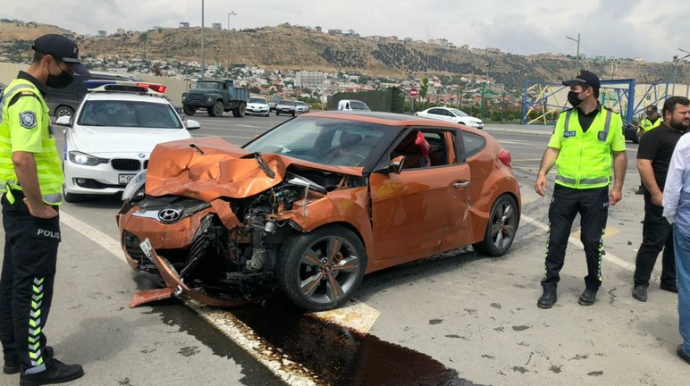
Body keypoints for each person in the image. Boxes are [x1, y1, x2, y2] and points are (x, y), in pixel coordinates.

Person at [0, 34, 88, 385]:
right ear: (47, 61)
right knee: (34, 286)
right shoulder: (27, 98)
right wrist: (37, 205)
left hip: (14, 204)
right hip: (29, 208)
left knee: (13, 282)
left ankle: (13, 353)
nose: (70, 74)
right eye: (67, 67)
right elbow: (22, 158)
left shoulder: (16, 92)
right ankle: (35, 366)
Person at [534, 70, 627, 309]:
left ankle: (593, 284)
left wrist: (617, 186)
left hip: (595, 192)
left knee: (591, 240)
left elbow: (619, 155)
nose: (571, 93)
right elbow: (554, 148)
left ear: (589, 91)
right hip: (564, 190)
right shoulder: (565, 118)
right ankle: (550, 286)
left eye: (575, 89)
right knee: (556, 239)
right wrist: (542, 173)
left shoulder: (612, 119)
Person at [632, 97, 690, 302]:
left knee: (676, 243)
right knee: (654, 241)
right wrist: (656, 193)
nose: (687, 116)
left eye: (689, 112)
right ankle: (641, 282)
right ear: (668, 114)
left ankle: (668, 279)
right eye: (683, 113)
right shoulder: (654, 136)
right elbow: (643, 165)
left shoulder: (686, 136)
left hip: (684, 204)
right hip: (661, 199)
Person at [662, 103, 690, 366]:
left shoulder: (686, 143)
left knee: (689, 282)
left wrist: (671, 217)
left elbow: (673, 187)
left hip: (687, 225)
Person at [636, 105, 663, 194]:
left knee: (657, 167)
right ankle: (643, 187)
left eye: (651, 113)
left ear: (656, 112)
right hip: (646, 147)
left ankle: (658, 187)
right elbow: (638, 134)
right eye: (648, 113)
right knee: (644, 167)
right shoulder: (644, 122)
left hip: (659, 147)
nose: (649, 115)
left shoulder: (662, 121)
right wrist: (640, 132)